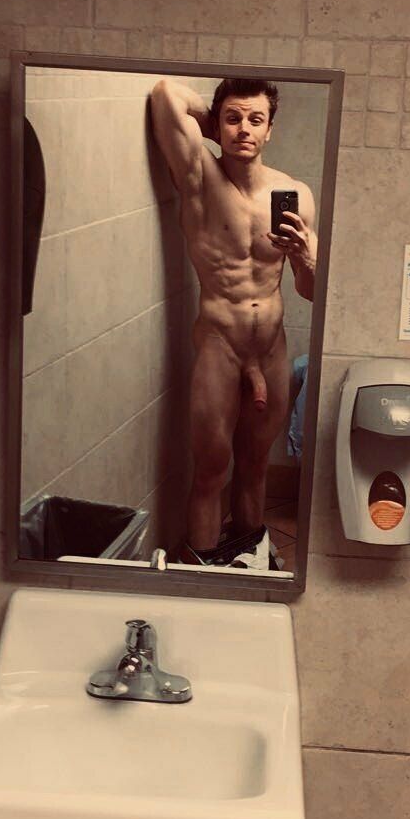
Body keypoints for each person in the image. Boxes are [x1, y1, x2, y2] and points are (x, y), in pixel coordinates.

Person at [150, 75, 317, 568]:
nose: (245, 129)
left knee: (255, 464)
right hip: (220, 345)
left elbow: (311, 290)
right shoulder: (198, 175)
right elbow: (165, 95)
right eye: (233, 118)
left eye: (256, 120)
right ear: (216, 124)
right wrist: (215, 125)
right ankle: (203, 567)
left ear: (271, 130)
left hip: (271, 348)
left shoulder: (294, 193)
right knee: (211, 468)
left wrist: (306, 256)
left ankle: (249, 557)